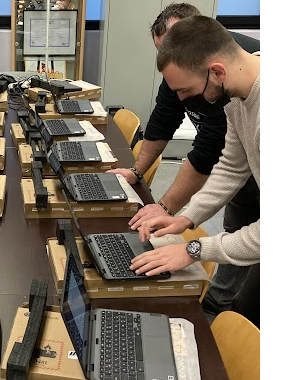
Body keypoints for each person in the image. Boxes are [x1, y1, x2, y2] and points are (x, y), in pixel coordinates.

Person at [107, 3, 260, 320]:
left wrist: (194, 250)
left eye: (187, 90)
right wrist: (184, 218)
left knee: (251, 310)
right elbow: (230, 169)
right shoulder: (234, 89)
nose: (184, 102)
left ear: (216, 71)